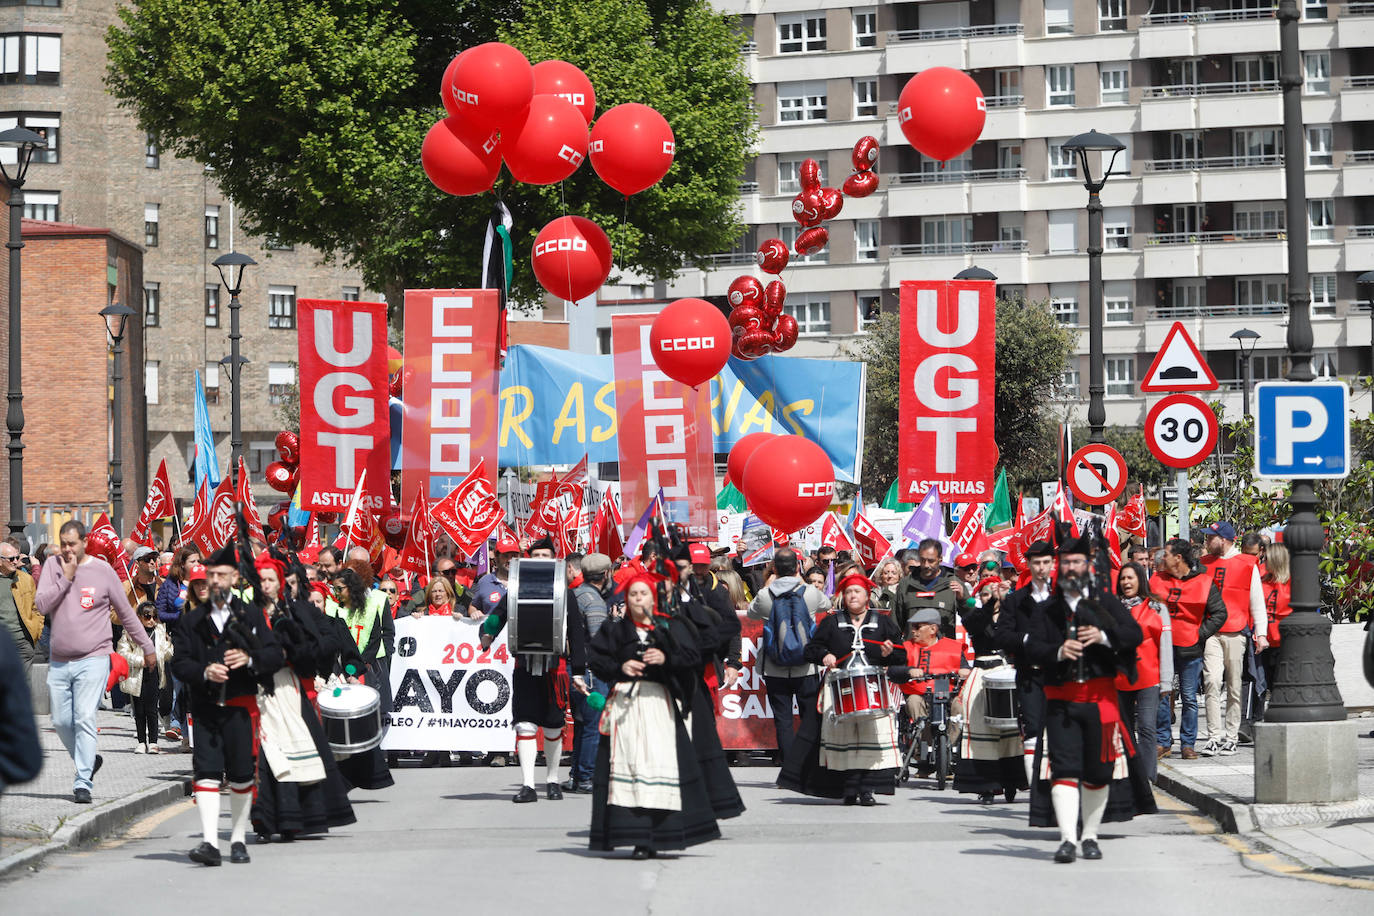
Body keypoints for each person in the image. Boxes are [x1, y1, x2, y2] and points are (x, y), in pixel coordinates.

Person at [1023, 531, 1153, 864]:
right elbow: (1032, 647)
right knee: (1063, 769)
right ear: (1059, 567)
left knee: (1098, 772)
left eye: (1077, 561)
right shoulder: (1047, 609)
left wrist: (1103, 635)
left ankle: (1090, 836)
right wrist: (1057, 650)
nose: (1071, 567)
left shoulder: (1105, 602)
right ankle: (1068, 839)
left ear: (1087, 566)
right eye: (1065, 562)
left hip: (1101, 700)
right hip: (1061, 701)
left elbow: (1134, 634)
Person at [586, 566, 718, 859]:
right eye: (633, 594)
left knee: (661, 767)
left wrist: (666, 657)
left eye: (643, 593)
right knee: (630, 768)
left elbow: (694, 656)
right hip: (626, 708)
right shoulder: (615, 629)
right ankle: (636, 837)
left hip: (660, 705)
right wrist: (620, 667)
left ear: (652, 598)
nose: (638, 599)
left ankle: (662, 834)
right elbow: (595, 658)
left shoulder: (668, 627)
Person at [169, 542, 284, 865]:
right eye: (210, 575)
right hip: (205, 707)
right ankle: (209, 843)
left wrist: (249, 659)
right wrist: (204, 671)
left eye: (221, 575)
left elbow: (274, 655)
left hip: (240, 706)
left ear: (235, 578)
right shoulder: (192, 621)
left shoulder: (251, 616)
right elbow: (179, 664)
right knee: (205, 771)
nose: (215, 581)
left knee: (240, 774)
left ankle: (236, 840)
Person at [36, 520, 155, 804]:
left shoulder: (102, 571)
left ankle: (83, 781)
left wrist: (148, 646)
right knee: (62, 721)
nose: (67, 549)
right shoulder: (53, 567)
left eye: (72, 543)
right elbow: (42, 605)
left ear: (85, 542)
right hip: (61, 659)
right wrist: (65, 578)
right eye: (63, 543)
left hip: (94, 657)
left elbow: (127, 613)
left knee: (84, 717)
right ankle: (87, 760)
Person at [249, 551, 357, 842]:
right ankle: (264, 818)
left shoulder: (296, 612)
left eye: (272, 580)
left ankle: (293, 818)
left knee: (292, 755)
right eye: (262, 580)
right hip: (259, 693)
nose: (267, 585)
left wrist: (288, 652)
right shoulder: (249, 612)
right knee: (266, 757)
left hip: (288, 689)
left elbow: (315, 648)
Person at [779, 569, 909, 805]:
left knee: (869, 740)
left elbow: (901, 657)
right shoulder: (832, 622)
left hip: (872, 687)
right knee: (844, 739)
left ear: (867, 595)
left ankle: (867, 789)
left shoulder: (883, 623)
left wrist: (891, 652)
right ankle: (848, 789)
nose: (852, 596)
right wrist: (825, 655)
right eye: (848, 592)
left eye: (857, 591)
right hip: (839, 687)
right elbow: (811, 650)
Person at [479, 556, 588, 802]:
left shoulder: (565, 593)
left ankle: (552, 780)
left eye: (544, 555)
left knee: (553, 725)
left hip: (554, 668)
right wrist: (487, 633)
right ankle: (528, 785)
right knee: (525, 723)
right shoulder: (516, 591)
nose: (540, 560)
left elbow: (576, 632)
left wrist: (579, 670)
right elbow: (500, 615)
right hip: (525, 665)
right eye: (536, 556)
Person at [670, 544, 745, 820]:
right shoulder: (668, 591)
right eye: (694, 565)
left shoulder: (717, 591)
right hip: (673, 669)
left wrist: (734, 663)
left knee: (703, 724)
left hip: (705, 669)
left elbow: (732, 628)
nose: (699, 569)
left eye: (703, 565)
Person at [747, 548, 827, 762]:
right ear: (797, 568)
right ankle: (809, 764)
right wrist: (803, 582)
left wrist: (767, 586)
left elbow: (751, 612)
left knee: (783, 719)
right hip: (806, 666)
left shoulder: (765, 595)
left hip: (775, 666)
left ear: (774, 568)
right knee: (809, 717)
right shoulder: (809, 592)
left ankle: (789, 768)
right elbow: (826, 605)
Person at [1150, 539, 1227, 760]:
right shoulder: (1157, 580)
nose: (1162, 558)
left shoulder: (1204, 581)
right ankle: (1163, 741)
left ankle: (1187, 744)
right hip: (1163, 647)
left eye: (1166, 554)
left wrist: (1199, 634)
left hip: (1190, 648)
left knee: (1189, 698)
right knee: (1163, 694)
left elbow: (1220, 613)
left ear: (1179, 558)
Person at [954, 575, 1027, 803]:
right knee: (980, 731)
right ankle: (985, 785)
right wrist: (989, 603)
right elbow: (973, 625)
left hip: (1006, 672)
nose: (992, 596)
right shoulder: (975, 615)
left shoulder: (1012, 616)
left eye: (995, 592)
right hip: (982, 674)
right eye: (986, 593)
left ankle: (1011, 782)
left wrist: (1008, 600)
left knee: (1011, 732)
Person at [323, 563, 395, 791]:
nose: (337, 593)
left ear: (351, 588)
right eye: (334, 589)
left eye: (340, 589)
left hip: (364, 667)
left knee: (368, 717)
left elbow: (377, 637)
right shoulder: (334, 608)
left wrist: (357, 666)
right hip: (341, 668)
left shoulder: (372, 604)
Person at [1199, 522, 1268, 756]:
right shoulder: (1204, 563)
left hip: (1236, 631)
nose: (1207, 542)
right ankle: (1213, 736)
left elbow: (1257, 602)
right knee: (1211, 681)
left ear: (1225, 539)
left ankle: (1230, 736)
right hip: (1211, 633)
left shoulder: (1248, 564)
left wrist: (1261, 634)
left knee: (1234, 686)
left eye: (1211, 538)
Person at [992, 539, 1057, 785]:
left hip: (1058, 674)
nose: (1041, 567)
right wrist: (1027, 639)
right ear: (1028, 564)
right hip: (1030, 675)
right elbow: (1003, 635)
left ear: (1052, 564)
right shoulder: (1016, 599)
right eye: (1036, 562)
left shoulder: (1063, 596)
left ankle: (1058, 783)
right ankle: (1037, 786)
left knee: (1060, 729)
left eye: (1045, 562)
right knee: (1033, 729)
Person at [565, 552, 612, 793]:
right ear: (606, 574)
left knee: (583, 725)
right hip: (591, 671)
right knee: (594, 725)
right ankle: (586, 777)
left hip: (576, 667)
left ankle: (576, 774)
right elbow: (598, 638)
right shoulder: (593, 600)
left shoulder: (576, 593)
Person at [1115, 562, 1165, 781]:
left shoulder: (1155, 606)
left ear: (1140, 580)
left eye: (1130, 578)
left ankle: (1147, 777)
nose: (1126, 582)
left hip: (1148, 676)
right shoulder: (1112, 608)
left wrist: (1166, 681)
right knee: (1125, 730)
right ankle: (1131, 776)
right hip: (1119, 678)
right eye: (1123, 578)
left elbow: (1165, 644)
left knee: (1146, 726)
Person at [116, 601, 173, 754]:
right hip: (137, 674)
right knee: (139, 710)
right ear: (139, 617)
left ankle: (153, 742)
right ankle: (141, 742)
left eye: (154, 617)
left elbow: (168, 654)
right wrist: (141, 661)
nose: (152, 620)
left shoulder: (160, 631)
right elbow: (122, 652)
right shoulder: (130, 631)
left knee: (152, 709)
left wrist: (168, 644)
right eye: (147, 617)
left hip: (155, 674)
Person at [893, 538, 961, 638]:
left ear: (940, 559)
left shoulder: (954, 584)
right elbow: (895, 626)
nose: (926, 565)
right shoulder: (905, 584)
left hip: (943, 651)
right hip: (913, 651)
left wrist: (963, 599)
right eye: (922, 560)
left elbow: (969, 621)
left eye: (931, 561)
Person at [1258, 544, 1292, 724]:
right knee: (1269, 682)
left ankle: (1282, 715)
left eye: (1268, 558)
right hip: (1266, 640)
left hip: (1285, 641)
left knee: (1282, 682)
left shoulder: (1292, 582)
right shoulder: (1263, 580)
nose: (1264, 561)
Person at [0, 538, 40, 674]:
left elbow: (37, 607)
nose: (16, 562)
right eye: (11, 559)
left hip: (23, 643)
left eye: (17, 558)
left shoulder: (25, 579)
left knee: (21, 689)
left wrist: (36, 633)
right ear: (0, 561)